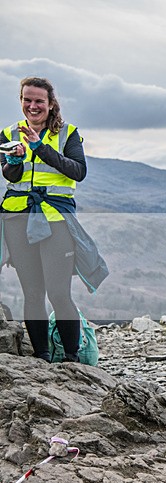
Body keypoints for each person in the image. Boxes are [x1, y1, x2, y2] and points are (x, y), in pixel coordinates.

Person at [0, 77, 107, 363]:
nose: (32, 106)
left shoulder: (67, 133)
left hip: (55, 219)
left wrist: (40, 148)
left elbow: (78, 171)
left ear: (50, 104)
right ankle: (42, 358)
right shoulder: (8, 133)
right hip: (17, 218)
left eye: (39, 101)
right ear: (21, 100)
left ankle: (72, 360)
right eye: (27, 100)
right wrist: (14, 162)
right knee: (32, 293)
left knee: (59, 293)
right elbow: (10, 177)